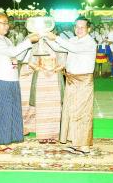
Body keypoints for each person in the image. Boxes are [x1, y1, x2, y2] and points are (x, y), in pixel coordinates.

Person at [0, 12, 39, 154]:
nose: (6, 26)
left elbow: (17, 56)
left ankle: (5, 141)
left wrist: (29, 45)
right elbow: (13, 51)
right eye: (3, 23)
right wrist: (28, 41)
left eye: (7, 23)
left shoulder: (6, 40)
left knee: (8, 112)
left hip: (11, 80)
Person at [46, 16, 97, 155]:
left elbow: (72, 48)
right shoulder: (73, 39)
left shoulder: (90, 42)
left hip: (83, 81)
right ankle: (75, 142)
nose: (79, 29)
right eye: (77, 27)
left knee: (83, 113)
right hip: (70, 79)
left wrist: (55, 37)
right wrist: (44, 36)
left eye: (82, 27)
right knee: (71, 111)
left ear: (88, 29)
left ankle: (84, 145)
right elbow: (58, 47)